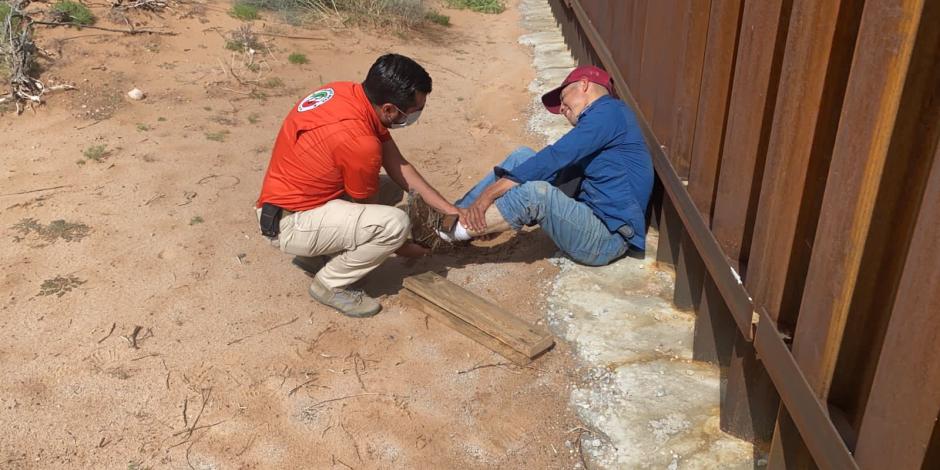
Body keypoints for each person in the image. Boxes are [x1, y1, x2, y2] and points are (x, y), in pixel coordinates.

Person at [255, 53, 459, 318]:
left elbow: (397, 164)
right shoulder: (360, 142)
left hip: (283, 206)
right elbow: (369, 210)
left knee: (390, 187)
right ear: (388, 109)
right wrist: (405, 247)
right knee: (393, 224)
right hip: (288, 225)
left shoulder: (345, 94)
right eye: (413, 111)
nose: (416, 115)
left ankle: (315, 255)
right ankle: (330, 284)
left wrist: (449, 209)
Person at [427, 65, 653, 266]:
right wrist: (496, 211)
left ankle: (448, 234)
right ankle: (453, 214)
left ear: (584, 85)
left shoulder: (609, 112)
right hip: (584, 219)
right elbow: (560, 173)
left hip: (606, 238)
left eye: (564, 99)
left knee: (536, 193)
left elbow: (556, 157)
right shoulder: (603, 121)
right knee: (522, 156)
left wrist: (489, 195)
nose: (562, 109)